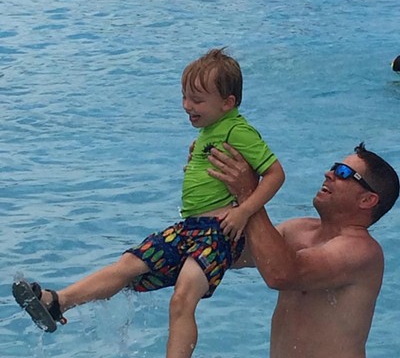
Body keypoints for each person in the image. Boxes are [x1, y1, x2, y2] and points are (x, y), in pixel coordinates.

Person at [13, 48, 285, 358]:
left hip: (219, 232)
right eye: (184, 97)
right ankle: (57, 301)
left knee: (182, 298)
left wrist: (244, 212)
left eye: (197, 101)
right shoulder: (212, 131)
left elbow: (276, 174)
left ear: (228, 103)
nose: (187, 107)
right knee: (128, 265)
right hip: (189, 228)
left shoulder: (239, 131)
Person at [207, 141, 399, 358]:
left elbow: (281, 274)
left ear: (367, 200)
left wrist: (249, 194)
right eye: (334, 167)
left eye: (343, 172)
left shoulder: (363, 252)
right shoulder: (297, 230)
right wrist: (212, 184)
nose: (329, 173)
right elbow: (227, 253)